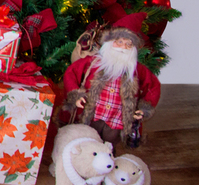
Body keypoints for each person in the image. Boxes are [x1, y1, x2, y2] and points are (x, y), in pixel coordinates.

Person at [63, 18, 162, 149]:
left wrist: (144, 108)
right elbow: (71, 73)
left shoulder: (137, 70)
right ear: (110, 42)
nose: (123, 47)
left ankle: (107, 160)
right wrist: (75, 95)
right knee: (86, 141)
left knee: (109, 146)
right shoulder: (93, 63)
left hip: (116, 120)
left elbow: (153, 86)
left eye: (128, 44)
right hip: (92, 116)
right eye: (119, 42)